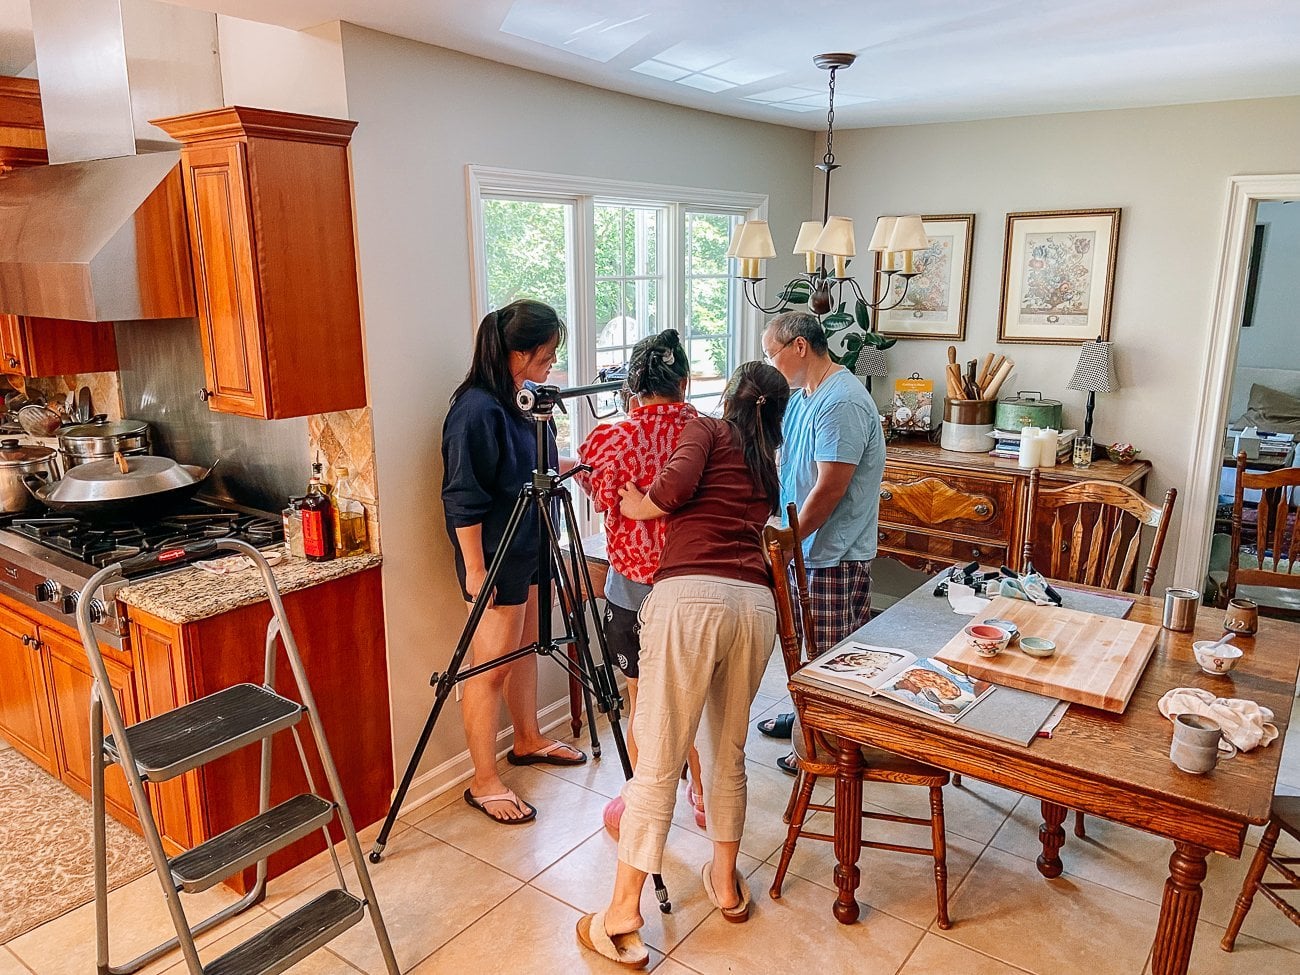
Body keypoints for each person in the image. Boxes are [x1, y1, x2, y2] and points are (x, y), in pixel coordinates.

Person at [576, 362, 790, 967]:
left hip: (691, 597)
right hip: (754, 606)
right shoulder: (765, 460)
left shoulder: (707, 431)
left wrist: (637, 508)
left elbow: (669, 493)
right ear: (775, 414)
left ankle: (621, 916)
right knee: (728, 752)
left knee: (660, 757)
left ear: (727, 399)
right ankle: (725, 884)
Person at [442, 299, 587, 825]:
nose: (552, 364)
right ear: (518, 353)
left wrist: (577, 464)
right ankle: (483, 781)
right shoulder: (475, 410)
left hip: (532, 544)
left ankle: (526, 739)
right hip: (496, 554)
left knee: (526, 648)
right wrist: (476, 572)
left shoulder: (520, 401)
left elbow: (536, 463)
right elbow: (463, 497)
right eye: (547, 355)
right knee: (489, 667)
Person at [573, 329, 708, 836]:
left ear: (632, 387)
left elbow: (593, 487)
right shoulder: (707, 434)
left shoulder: (609, 439)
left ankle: (639, 799)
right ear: (685, 383)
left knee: (641, 700)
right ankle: (699, 789)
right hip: (692, 587)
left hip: (630, 588)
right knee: (694, 698)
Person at [756, 310, 886, 775]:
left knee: (832, 654)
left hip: (833, 550)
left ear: (799, 347)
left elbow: (830, 487)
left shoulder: (842, 401)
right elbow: (790, 467)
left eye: (772, 354)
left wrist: (790, 539)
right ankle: (805, 718)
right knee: (808, 645)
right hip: (805, 546)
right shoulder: (805, 396)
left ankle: (828, 745)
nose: (771, 365)